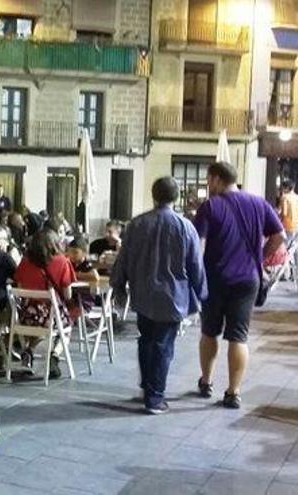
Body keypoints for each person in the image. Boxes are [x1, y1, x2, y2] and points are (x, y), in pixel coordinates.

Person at [111, 177, 207, 415]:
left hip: (143, 294)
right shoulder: (185, 227)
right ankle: (155, 397)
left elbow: (123, 259)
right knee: (163, 345)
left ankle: (148, 386)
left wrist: (119, 286)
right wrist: (203, 294)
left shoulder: (136, 224)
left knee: (146, 340)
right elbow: (195, 265)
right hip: (173, 297)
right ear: (176, 198)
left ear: (154, 195)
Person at [194, 162, 285, 409]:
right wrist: (260, 257)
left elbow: (198, 246)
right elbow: (279, 237)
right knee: (239, 337)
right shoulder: (259, 204)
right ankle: (233, 392)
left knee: (209, 332)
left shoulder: (210, 207)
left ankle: (206, 381)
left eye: (208, 180)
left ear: (215, 179)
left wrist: (195, 275)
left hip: (215, 279)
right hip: (248, 281)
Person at [13, 229, 78, 379]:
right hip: (51, 316)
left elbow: (20, 288)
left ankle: (28, 351)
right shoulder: (62, 261)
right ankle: (55, 355)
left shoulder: (24, 262)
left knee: (40, 328)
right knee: (67, 325)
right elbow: (68, 295)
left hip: (27, 317)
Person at [278, 179, 298, 243]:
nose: (282, 190)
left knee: (285, 246)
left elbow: (284, 213)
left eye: (283, 188)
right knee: (294, 247)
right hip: (296, 226)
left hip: (288, 226)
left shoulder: (285, 198)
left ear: (287, 188)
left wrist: (278, 221)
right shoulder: (297, 197)